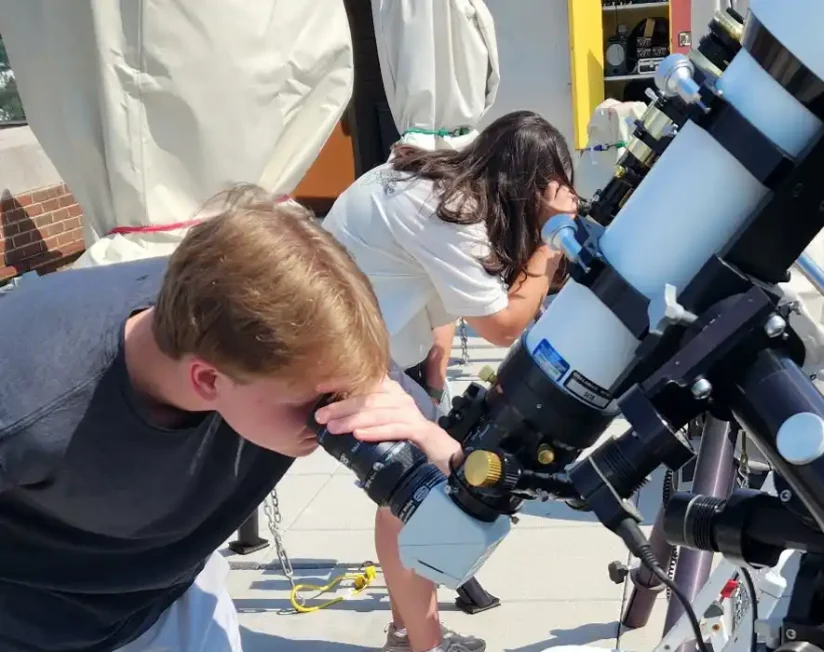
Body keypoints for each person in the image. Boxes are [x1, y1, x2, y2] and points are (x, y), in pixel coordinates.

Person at [0, 184, 473, 652]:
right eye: (317, 404)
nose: (332, 420)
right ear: (208, 380)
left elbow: (451, 482)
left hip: (169, 597)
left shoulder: (284, 328)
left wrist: (433, 443)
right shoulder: (29, 399)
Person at [320, 109, 578, 652]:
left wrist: (433, 381)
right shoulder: (454, 215)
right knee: (419, 499)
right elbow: (503, 326)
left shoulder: (448, 174)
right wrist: (549, 245)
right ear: (523, 186)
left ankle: (406, 632)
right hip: (337, 349)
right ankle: (426, 645)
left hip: (349, 332)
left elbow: (435, 292)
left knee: (399, 502)